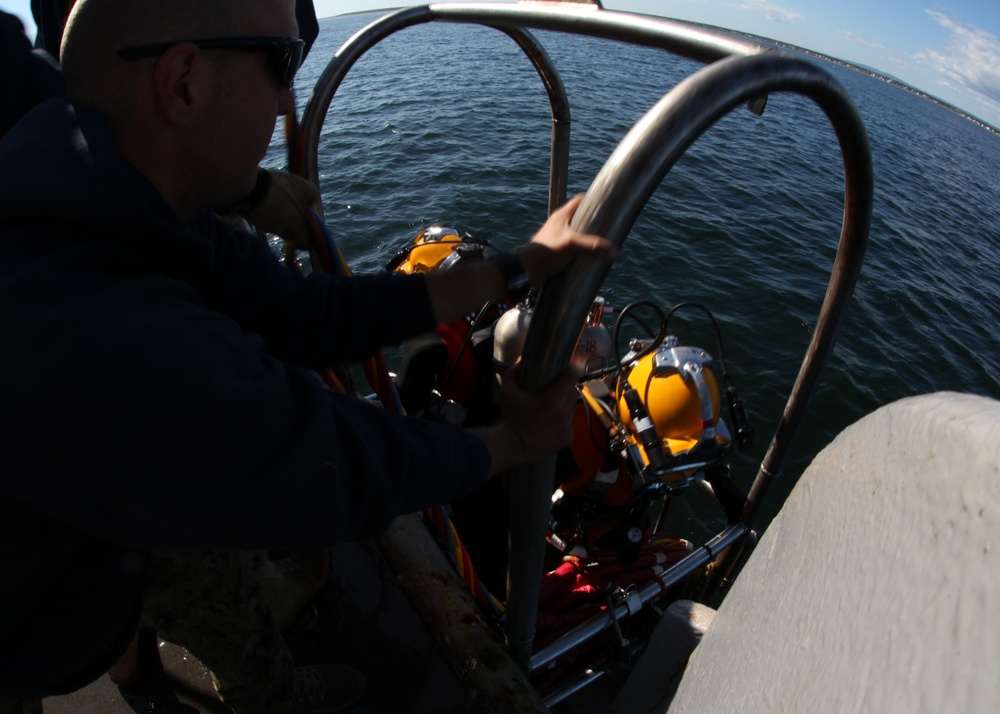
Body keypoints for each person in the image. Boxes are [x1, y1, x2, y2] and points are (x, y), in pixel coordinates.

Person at [0, 1, 617, 713]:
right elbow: (333, 465)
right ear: (185, 83)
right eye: (283, 64)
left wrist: (520, 265)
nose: (293, 99)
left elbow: (310, 314)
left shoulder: (125, 192)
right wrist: (517, 441)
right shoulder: (97, 334)